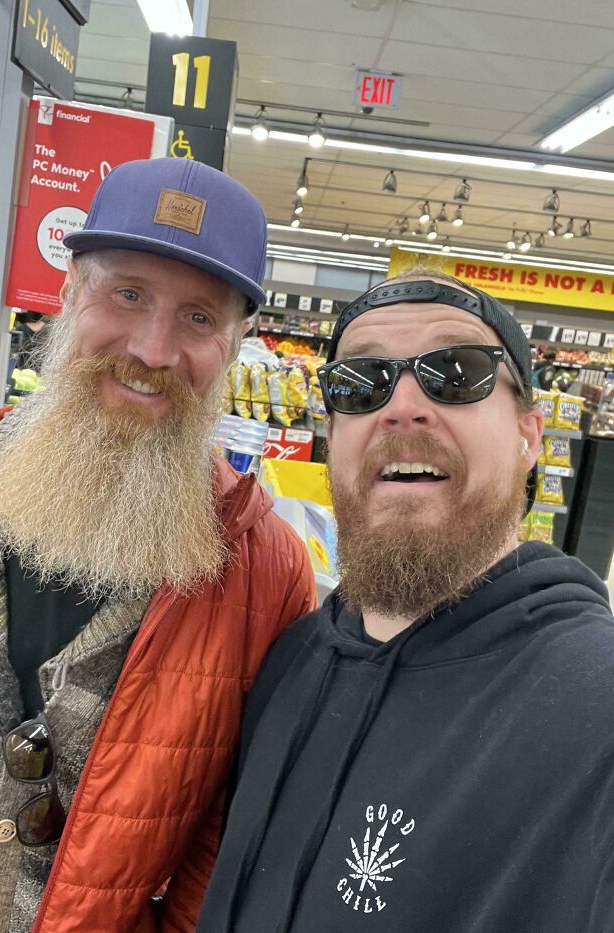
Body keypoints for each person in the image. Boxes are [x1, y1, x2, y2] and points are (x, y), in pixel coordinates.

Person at [0, 158, 316, 932]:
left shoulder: (264, 572)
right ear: (67, 294)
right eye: (127, 294)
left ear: (235, 345)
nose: (155, 349)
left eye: (200, 318)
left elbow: (223, 843)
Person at [197, 271, 614, 933]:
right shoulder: (290, 661)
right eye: (361, 382)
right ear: (334, 438)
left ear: (530, 435)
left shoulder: (597, 709)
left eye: (458, 371)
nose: (402, 407)